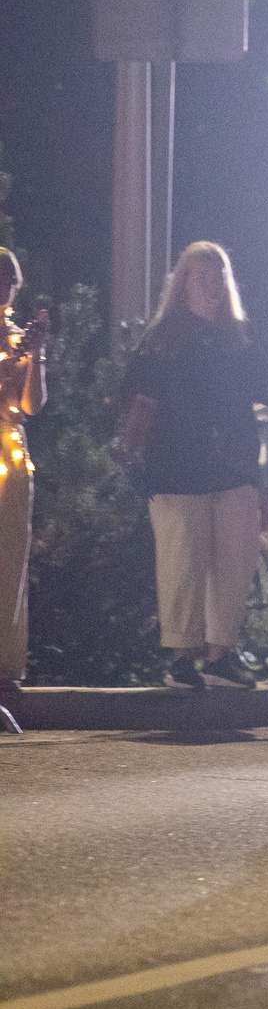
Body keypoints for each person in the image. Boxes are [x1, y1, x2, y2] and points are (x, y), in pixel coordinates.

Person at [117, 242, 267, 690]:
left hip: (233, 466)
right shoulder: (162, 340)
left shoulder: (236, 339)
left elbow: (264, 392)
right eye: (201, 276)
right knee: (183, 563)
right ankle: (182, 658)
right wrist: (132, 456)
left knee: (234, 561)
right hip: (177, 467)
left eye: (219, 276)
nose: (212, 285)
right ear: (182, 285)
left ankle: (220, 656)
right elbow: (141, 402)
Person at [0, 248, 49, 695]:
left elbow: (34, 404)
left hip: (11, 461)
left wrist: (34, 356)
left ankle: (5, 671)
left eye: (10, 281)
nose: (5, 288)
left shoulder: (20, 339)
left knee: (10, 561)